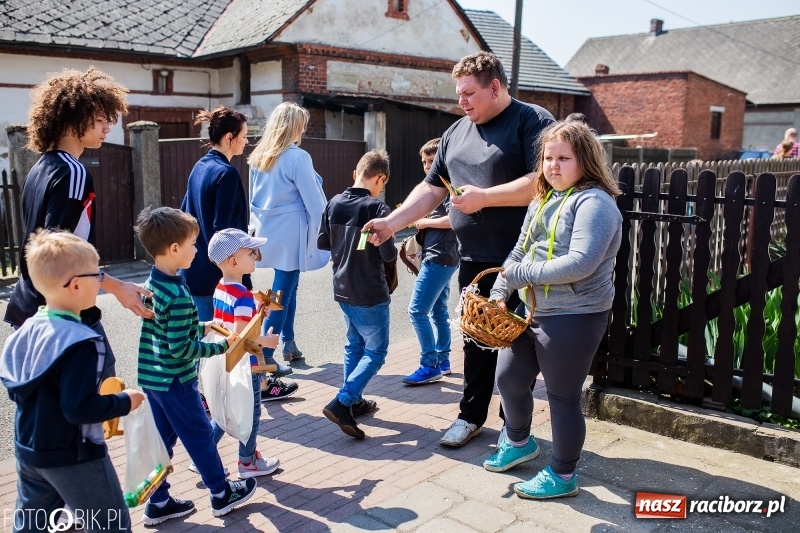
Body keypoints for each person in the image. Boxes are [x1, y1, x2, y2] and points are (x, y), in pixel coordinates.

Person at [363, 51, 555, 447]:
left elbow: (546, 178)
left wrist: (485, 197)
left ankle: (513, 428)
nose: (461, 102)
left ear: (495, 87)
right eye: (459, 94)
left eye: (469, 93)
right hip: (473, 259)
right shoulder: (455, 132)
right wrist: (392, 223)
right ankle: (470, 417)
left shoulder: (532, 121)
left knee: (516, 344)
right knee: (476, 340)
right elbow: (431, 190)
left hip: (523, 261)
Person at [483, 121, 622, 500]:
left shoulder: (595, 203)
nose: (553, 166)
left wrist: (520, 273)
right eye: (548, 157)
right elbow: (519, 250)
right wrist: (500, 290)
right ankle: (519, 442)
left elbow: (580, 262)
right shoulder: (540, 200)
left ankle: (563, 475)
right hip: (530, 310)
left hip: (576, 314)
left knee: (561, 397)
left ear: (586, 161)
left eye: (564, 158)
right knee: (509, 379)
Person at [4, 66, 153, 381]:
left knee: (45, 415)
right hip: (61, 312)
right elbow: (60, 254)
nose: (107, 128)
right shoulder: (73, 173)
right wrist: (117, 287)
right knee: (97, 389)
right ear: (73, 120)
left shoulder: (41, 167)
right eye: (100, 120)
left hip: (33, 305)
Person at [0, 230, 144, 533]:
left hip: (30, 448)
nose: (101, 280)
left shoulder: (28, 329)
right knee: (111, 524)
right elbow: (78, 408)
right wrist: (124, 402)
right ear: (76, 285)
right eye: (98, 275)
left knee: (32, 526)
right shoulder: (79, 340)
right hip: (74, 454)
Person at [134, 207, 257, 524]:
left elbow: (169, 330)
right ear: (174, 249)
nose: (196, 250)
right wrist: (219, 345)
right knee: (200, 436)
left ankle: (158, 501)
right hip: (175, 380)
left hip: (153, 377)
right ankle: (221, 492)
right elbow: (180, 348)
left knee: (161, 441)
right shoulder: (175, 293)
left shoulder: (156, 282)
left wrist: (206, 325)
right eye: (192, 244)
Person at [181, 106, 297, 396]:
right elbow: (224, 232)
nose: (247, 142)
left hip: (196, 268)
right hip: (222, 271)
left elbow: (186, 214)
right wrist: (241, 271)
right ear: (230, 137)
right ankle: (248, 390)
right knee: (235, 336)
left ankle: (215, 395)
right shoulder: (227, 174)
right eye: (244, 136)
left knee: (210, 339)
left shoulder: (200, 167)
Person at [198, 228, 293, 479]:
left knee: (222, 413)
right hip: (244, 364)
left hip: (224, 362)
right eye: (251, 252)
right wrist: (268, 340)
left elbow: (230, 328)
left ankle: (202, 457)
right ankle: (247, 462)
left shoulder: (222, 287)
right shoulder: (241, 297)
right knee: (250, 414)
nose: (255, 256)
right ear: (234, 261)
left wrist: (256, 309)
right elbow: (241, 340)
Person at [317, 150, 395, 439]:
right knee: (375, 350)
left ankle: (355, 401)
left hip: (342, 287)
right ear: (380, 178)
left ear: (355, 173)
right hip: (369, 290)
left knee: (354, 344)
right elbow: (388, 254)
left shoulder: (334, 202)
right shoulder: (377, 208)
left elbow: (323, 242)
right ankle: (343, 401)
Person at [248, 102, 330, 366]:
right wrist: (327, 235)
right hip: (291, 232)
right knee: (282, 293)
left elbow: (253, 198)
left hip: (266, 229)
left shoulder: (260, 156)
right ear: (295, 127)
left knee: (288, 288)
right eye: (302, 125)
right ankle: (266, 356)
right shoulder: (297, 157)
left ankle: (289, 343)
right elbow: (315, 203)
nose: (303, 130)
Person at [402, 138, 459, 385]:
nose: (427, 167)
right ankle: (443, 360)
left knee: (416, 310)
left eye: (431, 161)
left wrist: (424, 222)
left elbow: (453, 219)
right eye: (424, 162)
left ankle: (429, 364)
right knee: (438, 311)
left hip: (440, 256)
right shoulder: (439, 186)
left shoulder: (448, 185)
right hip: (439, 255)